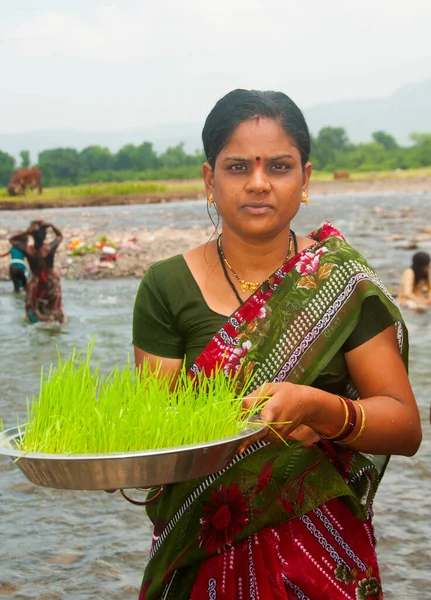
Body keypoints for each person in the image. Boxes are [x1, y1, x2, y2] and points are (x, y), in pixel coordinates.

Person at [132, 90, 422, 600]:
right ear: (209, 179)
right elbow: (158, 436)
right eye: (238, 166)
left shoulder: (341, 283)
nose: (259, 183)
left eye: (280, 167)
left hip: (322, 559)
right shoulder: (166, 286)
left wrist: (321, 409)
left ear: (305, 179)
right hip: (200, 555)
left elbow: (404, 425)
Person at [9, 219, 65, 323]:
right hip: (51, 282)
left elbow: (12, 240)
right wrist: (52, 226)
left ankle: (36, 322)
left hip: (36, 283)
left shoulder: (29, 251)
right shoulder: (49, 248)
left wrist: (27, 232)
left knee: (33, 308)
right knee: (54, 308)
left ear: (32, 235)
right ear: (45, 235)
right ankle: (55, 323)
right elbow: (59, 237)